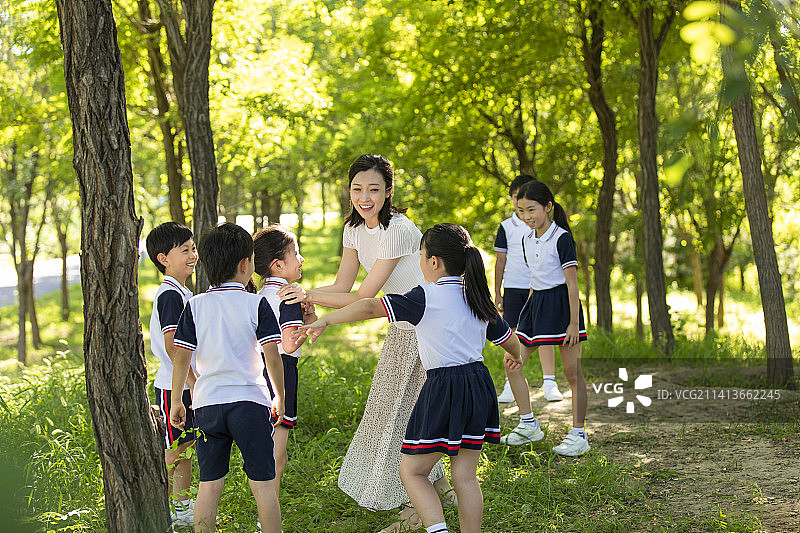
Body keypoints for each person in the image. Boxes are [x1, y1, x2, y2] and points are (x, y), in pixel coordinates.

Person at [294, 223, 523, 533]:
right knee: (466, 477)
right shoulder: (477, 297)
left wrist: (326, 320)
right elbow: (509, 340)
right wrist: (516, 356)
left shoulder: (425, 296)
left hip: (443, 387)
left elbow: (371, 307)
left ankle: (436, 529)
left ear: (434, 262)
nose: (420, 262)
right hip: (478, 386)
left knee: (412, 471)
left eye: (421, 256)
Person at [278, 154, 454, 531]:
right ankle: (437, 486)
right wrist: (305, 298)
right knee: (390, 408)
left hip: (429, 328)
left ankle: (415, 508)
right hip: (402, 328)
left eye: (374, 189)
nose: (365, 196)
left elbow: (365, 296)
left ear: (389, 192)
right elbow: (342, 287)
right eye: (357, 188)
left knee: (406, 413)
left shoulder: (399, 230)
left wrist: (309, 297)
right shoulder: (353, 230)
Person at [170, 222, 286, 532]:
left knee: (209, 484)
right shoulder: (256, 303)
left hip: (207, 405)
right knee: (263, 483)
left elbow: (181, 357)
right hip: (250, 404)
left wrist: (176, 401)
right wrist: (280, 396)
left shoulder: (194, 306)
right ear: (246, 264)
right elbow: (272, 356)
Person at [499, 181, 590, 457]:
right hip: (535, 304)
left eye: (532, 209)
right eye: (521, 210)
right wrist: (528, 308)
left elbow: (572, 285)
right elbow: (533, 278)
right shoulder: (526, 239)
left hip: (561, 306)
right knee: (512, 363)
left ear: (548, 207)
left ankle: (579, 434)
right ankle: (528, 424)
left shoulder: (562, 238)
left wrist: (573, 323)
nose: (527, 216)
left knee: (573, 375)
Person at [253, 225, 317, 497]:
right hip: (282, 370)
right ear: (278, 264)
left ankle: (261, 510)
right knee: (278, 453)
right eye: (296, 253)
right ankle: (268, 514)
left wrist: (309, 319)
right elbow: (289, 343)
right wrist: (311, 327)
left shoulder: (258, 295)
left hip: (256, 369)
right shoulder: (289, 295)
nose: (301, 259)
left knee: (264, 444)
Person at [145, 221, 198, 527]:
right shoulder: (170, 295)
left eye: (193, 248)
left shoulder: (181, 292)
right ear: (163, 258)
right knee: (174, 451)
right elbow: (172, 346)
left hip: (183, 386)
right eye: (185, 250)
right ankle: (157, 509)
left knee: (185, 448)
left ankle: (181, 509)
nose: (193, 255)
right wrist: (193, 383)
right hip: (173, 388)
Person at [494, 174, 564, 404]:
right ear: (513, 199)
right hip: (514, 287)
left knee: (545, 335)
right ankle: (509, 384)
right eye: (516, 198)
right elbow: (500, 261)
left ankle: (549, 382)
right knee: (513, 335)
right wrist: (498, 291)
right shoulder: (506, 226)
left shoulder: (545, 225)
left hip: (540, 288)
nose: (520, 203)